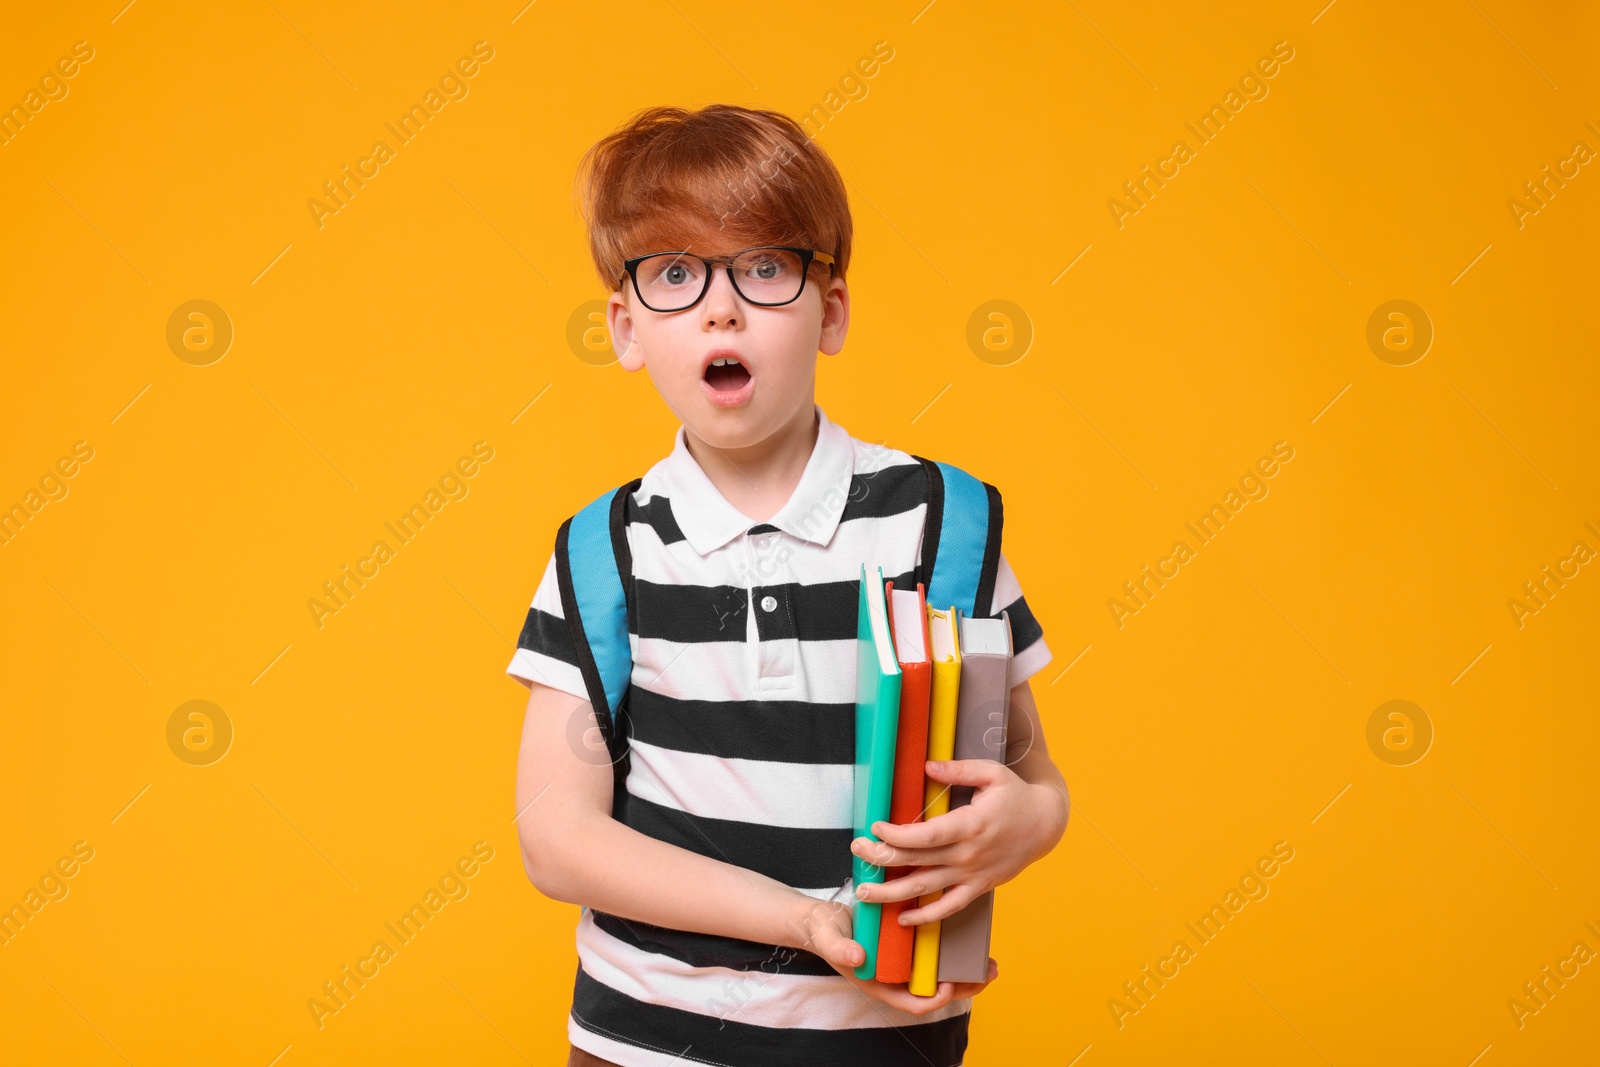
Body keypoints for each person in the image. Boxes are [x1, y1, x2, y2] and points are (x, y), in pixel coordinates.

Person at [508, 103, 1069, 1067]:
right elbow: (556, 839)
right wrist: (802, 919)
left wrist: (1031, 820)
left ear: (832, 310)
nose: (721, 307)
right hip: (643, 1045)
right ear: (626, 326)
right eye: (674, 274)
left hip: (886, 1045)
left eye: (764, 268)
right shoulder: (606, 551)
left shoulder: (944, 523)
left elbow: (1032, 774)